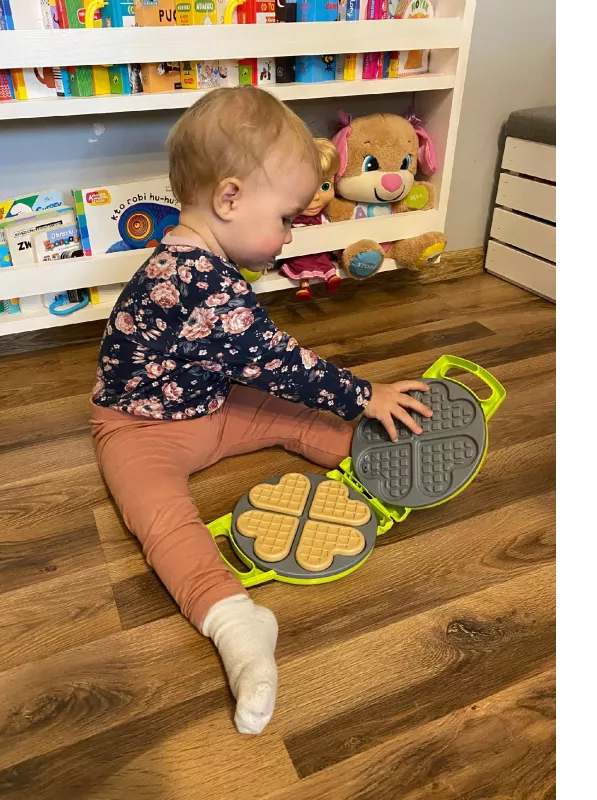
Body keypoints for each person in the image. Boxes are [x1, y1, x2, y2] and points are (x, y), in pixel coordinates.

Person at [90, 86, 432, 735]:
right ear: (229, 199)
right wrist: (367, 394)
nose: (288, 235)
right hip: (138, 429)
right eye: (284, 218)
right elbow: (283, 363)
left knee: (288, 415)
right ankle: (235, 623)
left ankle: (377, 457)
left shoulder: (197, 258)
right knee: (163, 517)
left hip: (211, 401)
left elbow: (261, 365)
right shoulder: (200, 285)